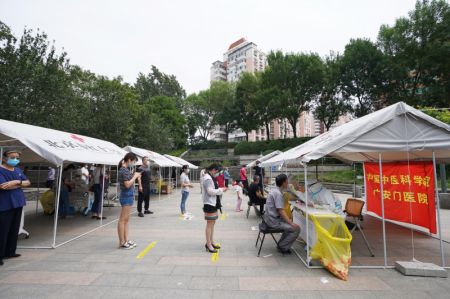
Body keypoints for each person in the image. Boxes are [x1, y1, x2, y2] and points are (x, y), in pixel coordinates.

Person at [0, 150, 31, 266]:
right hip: (5, 204)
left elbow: (28, 182)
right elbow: (3, 187)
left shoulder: (18, 170)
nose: (15, 159)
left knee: (14, 228)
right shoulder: (0, 170)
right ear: (4, 158)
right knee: (3, 230)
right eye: (12, 157)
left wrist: (16, 182)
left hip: (18, 203)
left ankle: (10, 251)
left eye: (17, 157)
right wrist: (20, 184)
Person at [263, 174, 300, 254]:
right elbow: (281, 211)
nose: (288, 184)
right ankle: (282, 246)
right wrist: (291, 223)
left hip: (269, 219)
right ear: (283, 183)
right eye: (287, 182)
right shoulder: (278, 194)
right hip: (273, 221)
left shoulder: (275, 191)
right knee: (296, 229)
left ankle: (281, 244)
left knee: (289, 224)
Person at [117, 153, 141, 249]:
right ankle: (122, 242)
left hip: (128, 196)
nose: (134, 163)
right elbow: (127, 184)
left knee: (126, 220)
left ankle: (126, 240)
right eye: (134, 161)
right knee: (122, 220)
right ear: (129, 160)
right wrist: (135, 176)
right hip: (126, 196)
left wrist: (135, 177)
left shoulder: (125, 170)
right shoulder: (124, 170)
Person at [202, 163, 227, 253]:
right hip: (209, 203)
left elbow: (213, 189)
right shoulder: (207, 178)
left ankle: (211, 242)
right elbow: (210, 191)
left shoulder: (210, 176)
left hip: (213, 202)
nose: (218, 173)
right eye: (218, 171)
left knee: (212, 223)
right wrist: (221, 190)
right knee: (210, 224)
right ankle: (208, 244)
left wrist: (220, 189)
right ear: (213, 170)